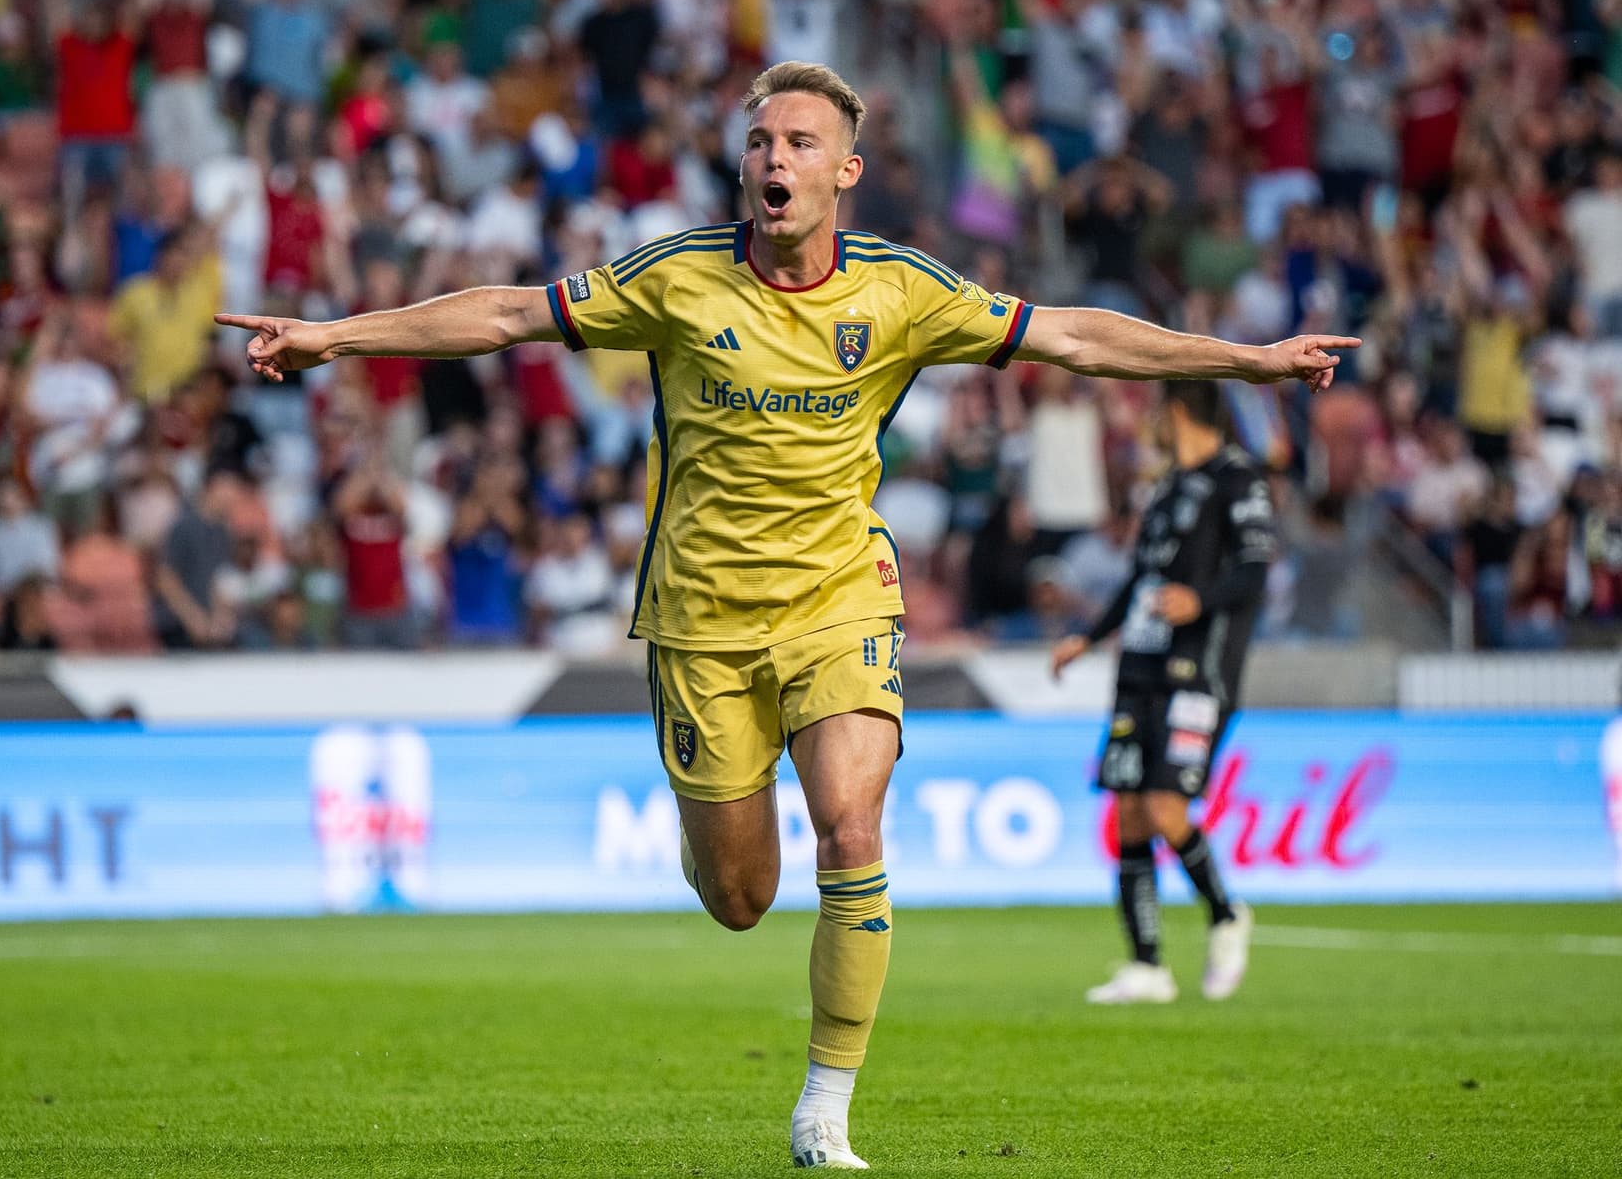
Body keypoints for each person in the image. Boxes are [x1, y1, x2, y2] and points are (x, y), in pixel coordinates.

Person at [217, 61, 1353, 1170]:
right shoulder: (676, 279)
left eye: (799, 142)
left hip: (839, 598)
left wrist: (1244, 362)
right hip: (701, 622)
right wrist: (336, 335)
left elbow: (1074, 334)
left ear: (844, 170)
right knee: (740, 896)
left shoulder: (902, 292)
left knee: (852, 831)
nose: (774, 157)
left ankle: (827, 1104)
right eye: (760, 141)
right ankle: (712, 818)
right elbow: (512, 312)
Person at [1049, 379, 1274, 1006]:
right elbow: (1139, 580)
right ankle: (1147, 966)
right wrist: (1089, 638)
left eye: (1156, 413)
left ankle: (1227, 914)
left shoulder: (1239, 482)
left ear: (1177, 412)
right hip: (1138, 671)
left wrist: (1200, 599)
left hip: (1196, 673)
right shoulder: (1167, 488)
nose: (1151, 423)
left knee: (1164, 809)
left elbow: (1256, 570)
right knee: (1126, 813)